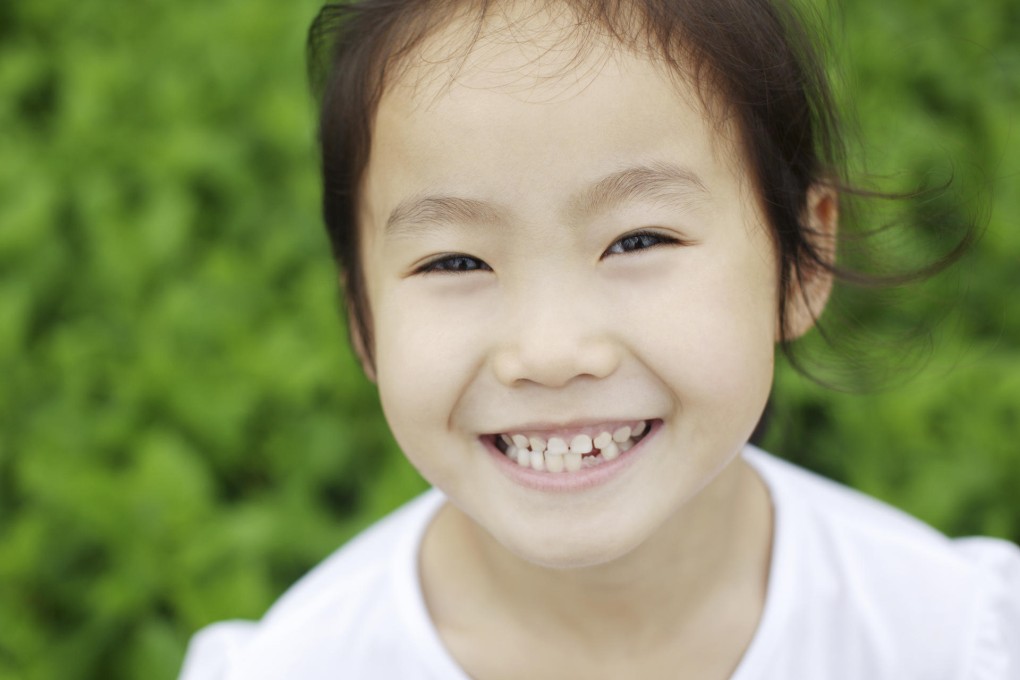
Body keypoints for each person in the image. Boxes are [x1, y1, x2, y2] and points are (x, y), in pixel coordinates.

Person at [179, 0, 1020, 677]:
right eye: (456, 259)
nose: (548, 352)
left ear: (802, 262)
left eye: (639, 241)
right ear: (362, 316)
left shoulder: (951, 640)